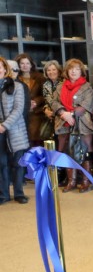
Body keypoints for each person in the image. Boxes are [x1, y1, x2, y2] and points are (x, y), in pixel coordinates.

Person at [51, 58, 93, 193]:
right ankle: (72, 180)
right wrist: (62, 113)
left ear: (81, 71)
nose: (74, 72)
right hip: (63, 123)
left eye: (77, 69)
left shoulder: (87, 87)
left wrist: (70, 114)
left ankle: (86, 180)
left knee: (85, 151)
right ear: (67, 71)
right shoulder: (60, 86)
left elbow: (87, 104)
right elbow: (54, 102)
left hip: (82, 123)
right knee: (66, 151)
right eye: (71, 69)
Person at [0, 56, 30, 205]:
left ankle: (19, 193)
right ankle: (3, 194)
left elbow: (19, 109)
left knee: (18, 163)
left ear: (5, 69)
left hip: (14, 128)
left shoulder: (17, 86)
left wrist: (4, 125)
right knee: (2, 164)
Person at [15, 53, 45, 147]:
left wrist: (36, 101)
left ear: (31, 64)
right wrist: (26, 103)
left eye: (27, 63)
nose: (25, 66)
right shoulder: (15, 78)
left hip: (36, 112)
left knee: (36, 137)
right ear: (18, 65)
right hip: (20, 112)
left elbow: (45, 95)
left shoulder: (40, 77)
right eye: (22, 63)